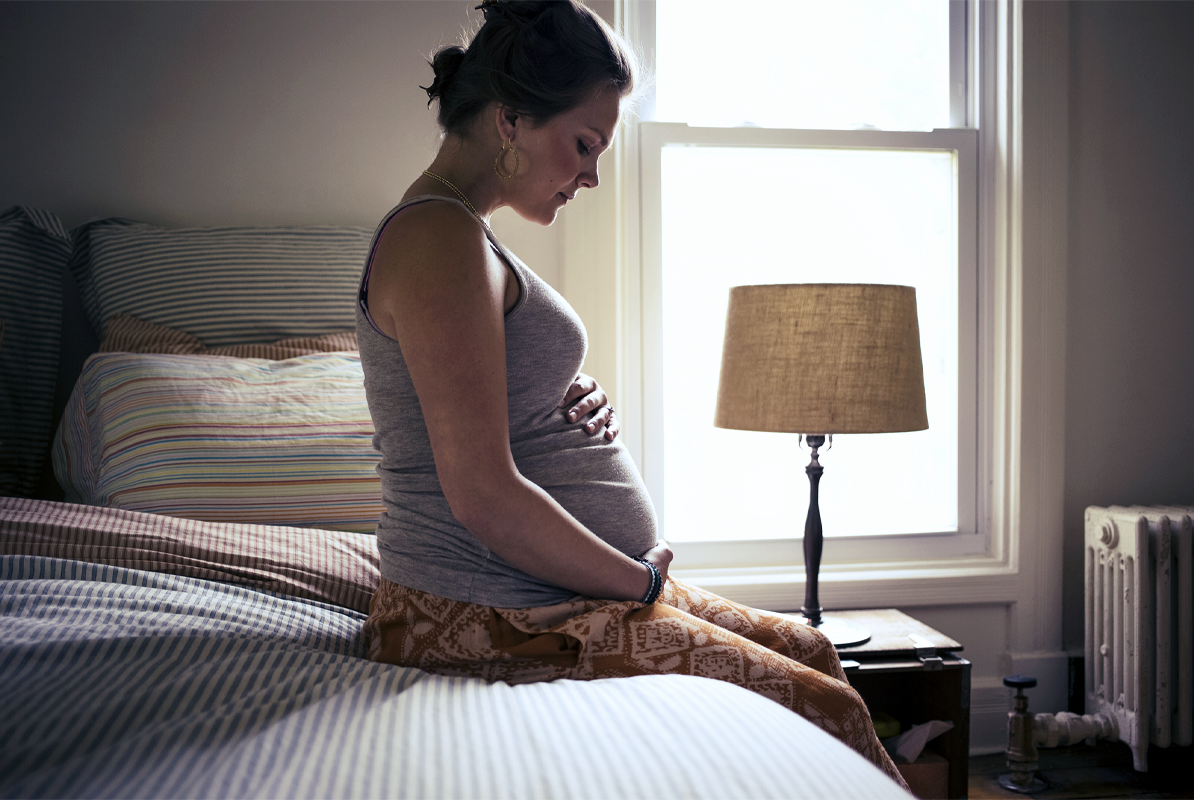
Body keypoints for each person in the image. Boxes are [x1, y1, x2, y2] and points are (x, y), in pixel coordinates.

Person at [356, 0, 907, 789]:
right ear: (510, 118)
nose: (592, 173)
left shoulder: (456, 232)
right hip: (479, 618)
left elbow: (484, 400)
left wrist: (559, 395)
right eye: (583, 144)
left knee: (811, 646)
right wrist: (641, 583)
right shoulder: (436, 237)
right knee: (824, 702)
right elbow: (480, 492)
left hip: (536, 596)